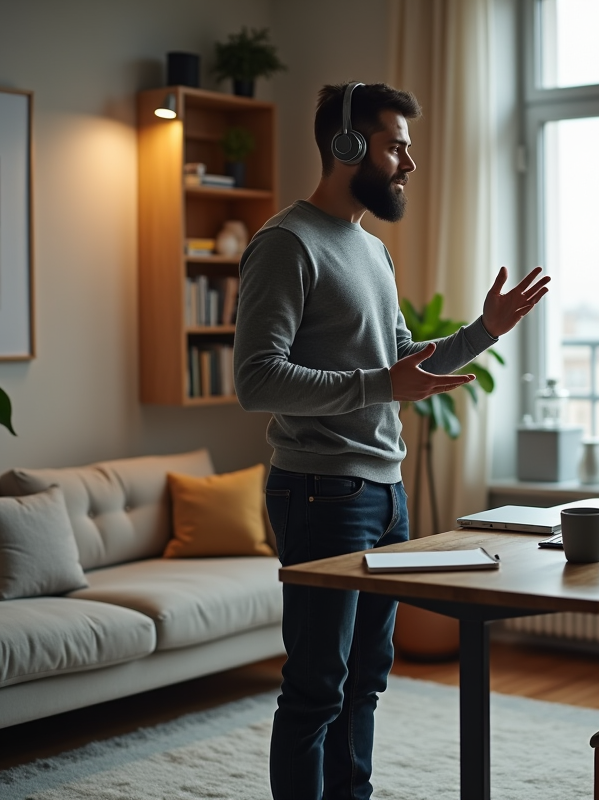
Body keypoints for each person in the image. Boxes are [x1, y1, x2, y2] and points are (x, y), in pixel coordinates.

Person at [232, 82, 549, 800]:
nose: (409, 162)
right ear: (348, 147)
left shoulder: (371, 251)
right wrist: (378, 386)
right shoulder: (285, 244)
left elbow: (401, 359)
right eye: (397, 145)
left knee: (366, 678)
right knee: (316, 685)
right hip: (320, 491)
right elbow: (257, 380)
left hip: (383, 491)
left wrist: (483, 331)